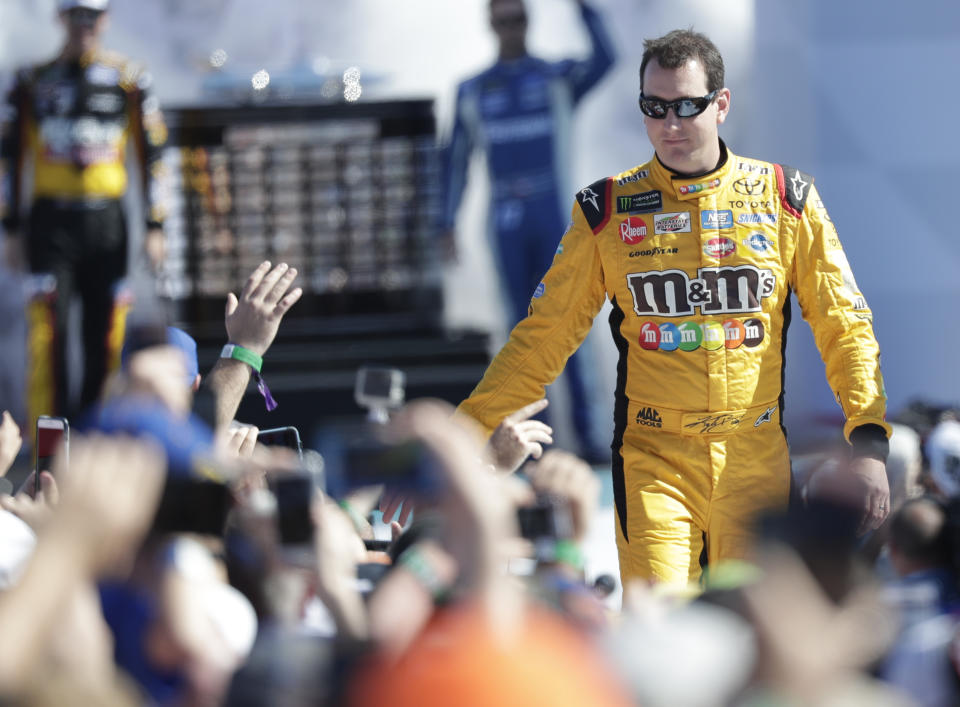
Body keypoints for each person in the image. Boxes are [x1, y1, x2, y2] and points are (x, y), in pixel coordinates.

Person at [456, 29, 891, 586]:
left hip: (752, 454)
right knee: (660, 625)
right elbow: (543, 336)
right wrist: (464, 434)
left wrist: (869, 440)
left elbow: (844, 322)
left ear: (721, 104)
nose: (671, 124)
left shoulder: (786, 198)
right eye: (654, 107)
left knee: (754, 628)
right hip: (655, 459)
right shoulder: (607, 210)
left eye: (688, 106)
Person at [441, 0, 615, 462]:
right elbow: (453, 162)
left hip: (558, 227)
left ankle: (592, 444)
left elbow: (608, 57)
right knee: (523, 339)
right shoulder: (473, 90)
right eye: (502, 19)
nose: (510, 27)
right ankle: (535, 446)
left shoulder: (557, 77)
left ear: (528, 20)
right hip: (506, 232)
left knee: (570, 331)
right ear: (490, 23)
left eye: (517, 17)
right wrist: (446, 221)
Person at [0, 0, 168, 419]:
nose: (84, 26)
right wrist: (12, 229)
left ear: (106, 19)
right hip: (50, 223)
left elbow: (153, 155)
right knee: (46, 331)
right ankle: (50, 446)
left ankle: (100, 430)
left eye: (91, 16)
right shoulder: (31, 81)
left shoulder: (128, 79)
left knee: (107, 333)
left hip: (107, 222)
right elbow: (10, 158)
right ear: (60, 19)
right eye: (75, 16)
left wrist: (154, 224)